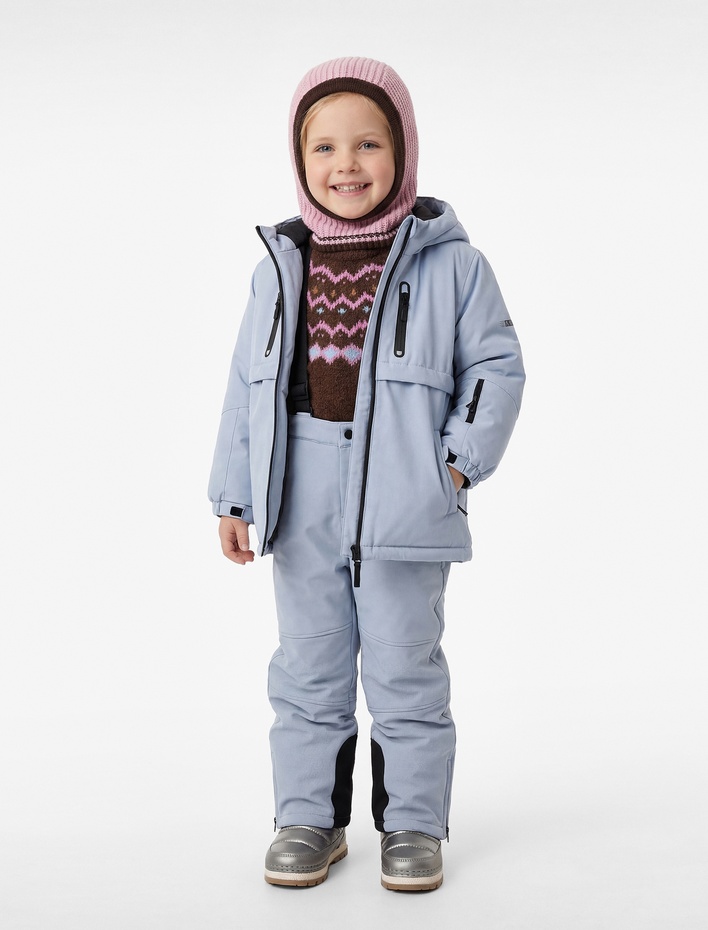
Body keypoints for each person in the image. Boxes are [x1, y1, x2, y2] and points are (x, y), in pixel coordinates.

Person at [208, 56, 525, 891]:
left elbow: (496, 367)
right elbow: (247, 386)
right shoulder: (280, 266)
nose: (346, 165)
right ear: (299, 158)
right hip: (300, 485)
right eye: (324, 147)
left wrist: (454, 466)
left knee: (404, 665)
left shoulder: (452, 264)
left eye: (368, 144)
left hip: (405, 493)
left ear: (403, 150)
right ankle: (308, 818)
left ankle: (413, 823)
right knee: (306, 666)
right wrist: (234, 492)